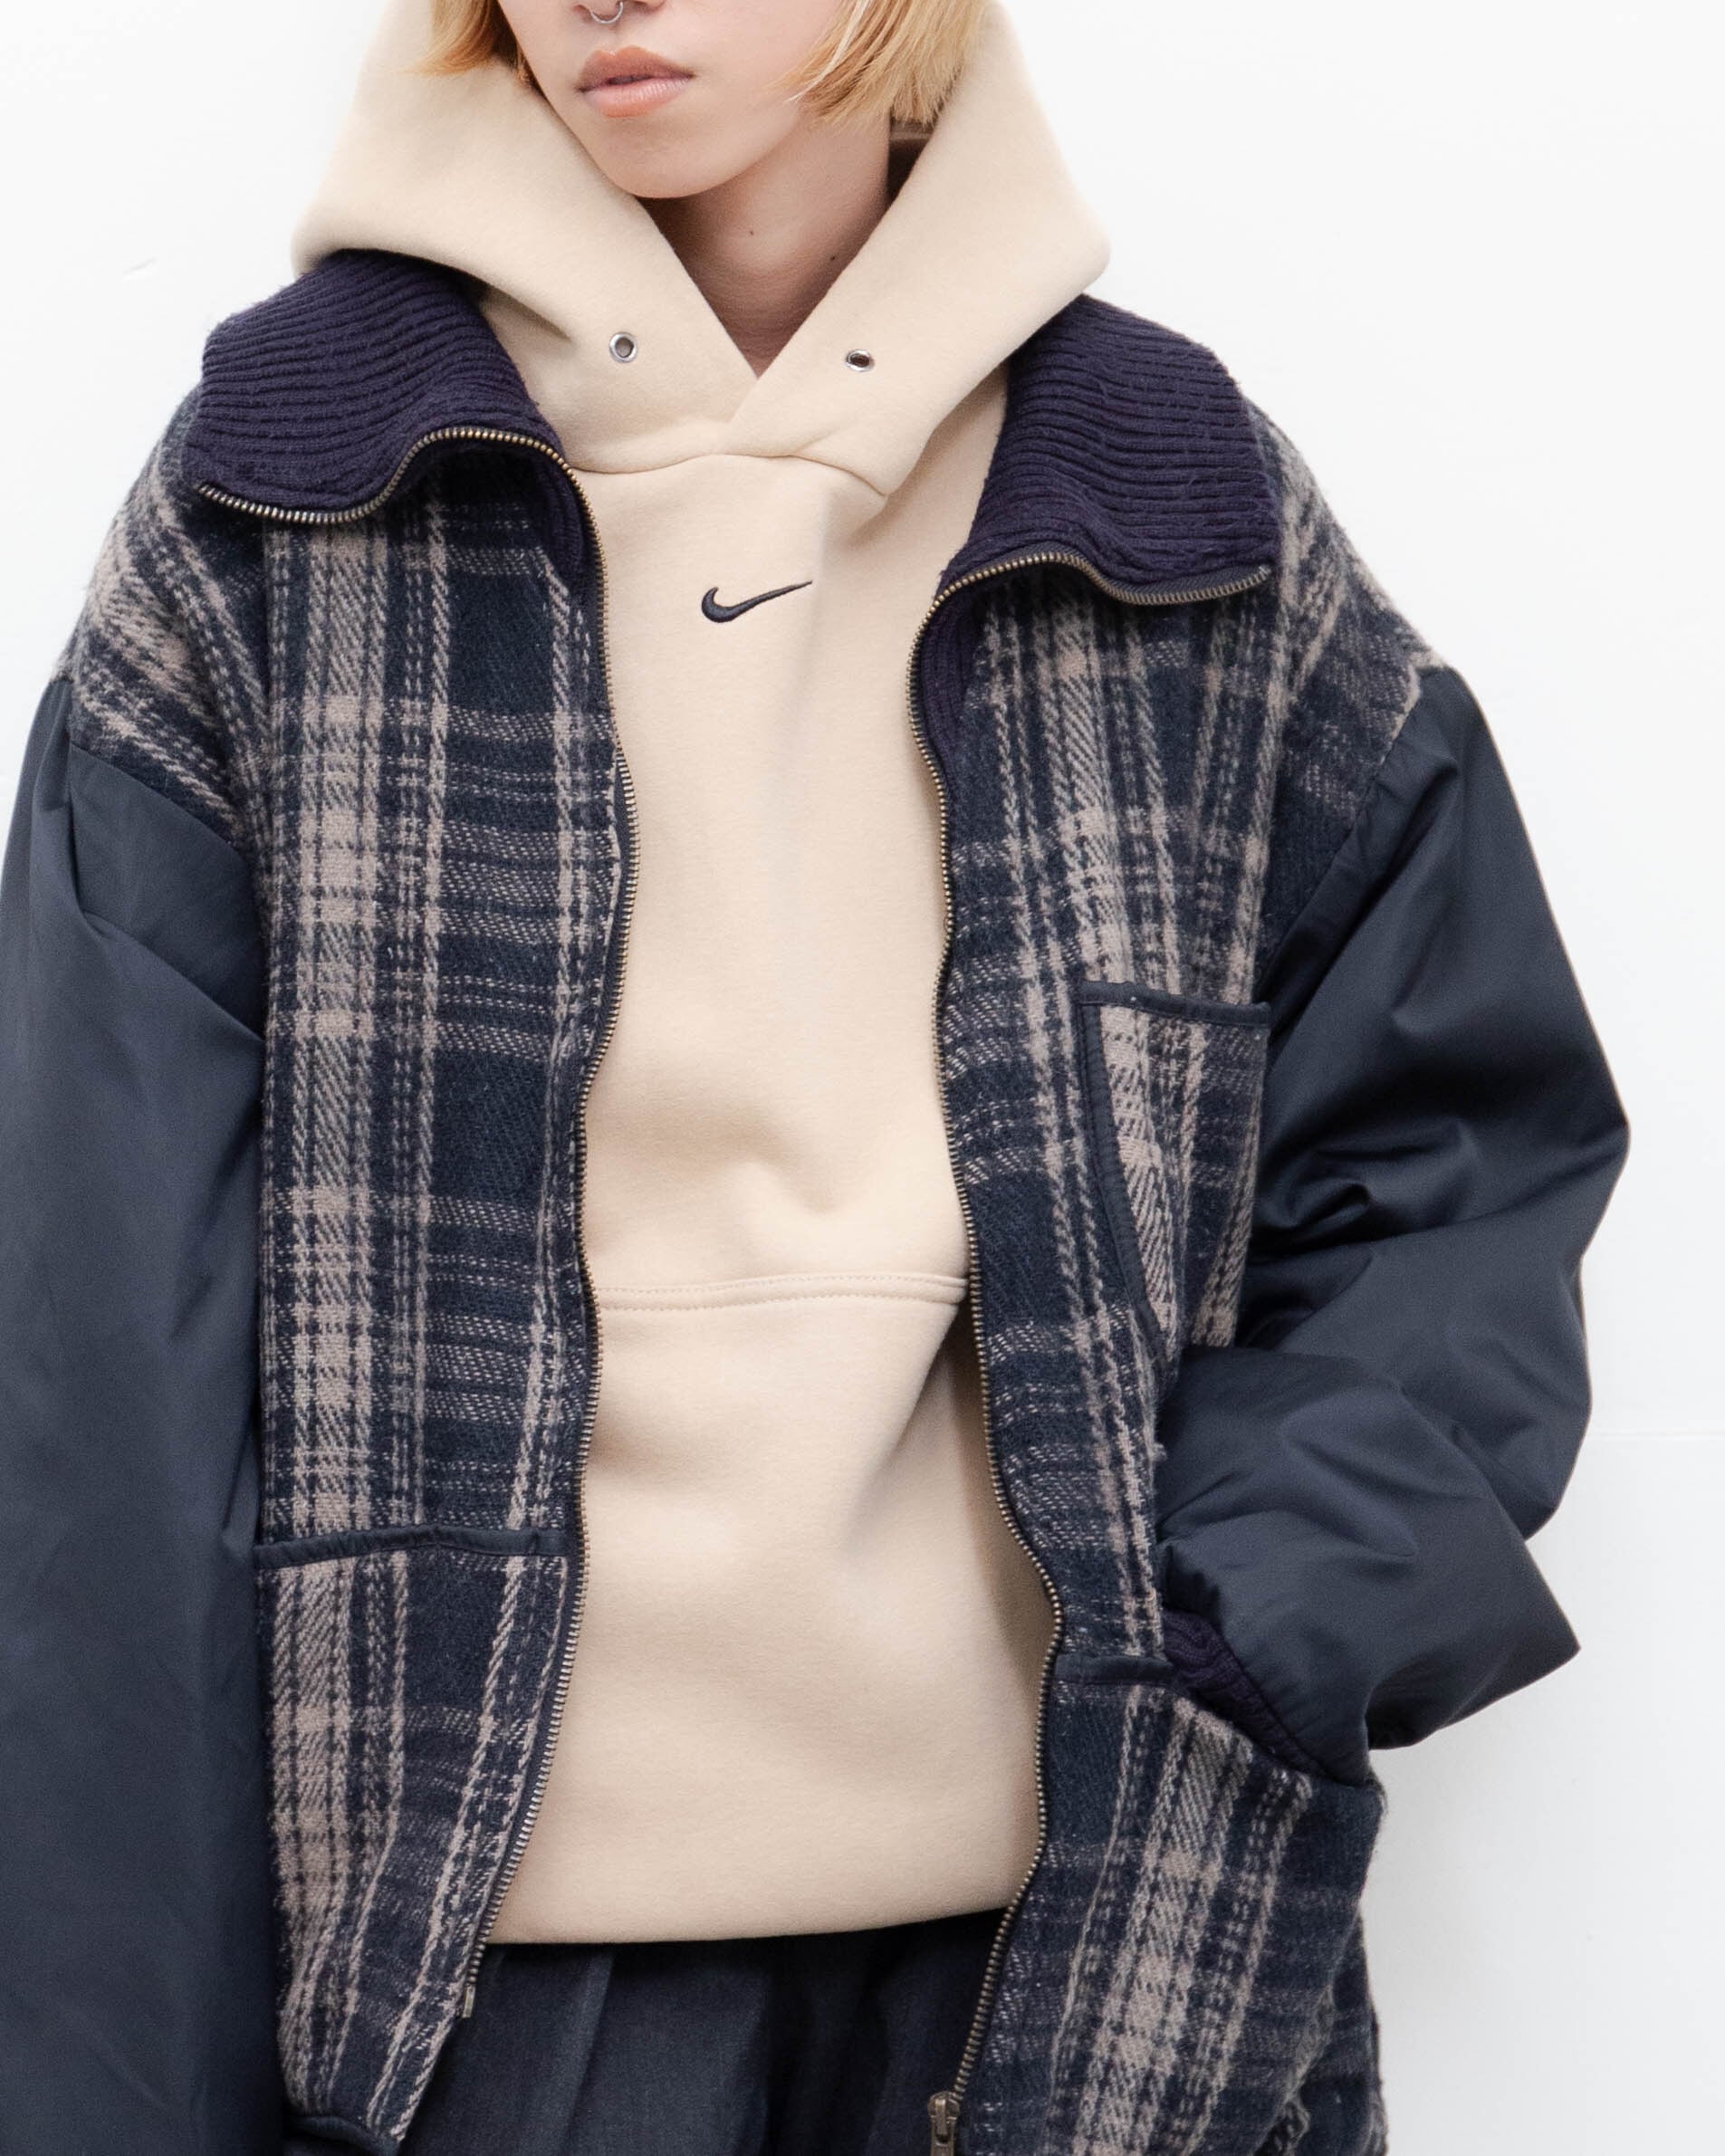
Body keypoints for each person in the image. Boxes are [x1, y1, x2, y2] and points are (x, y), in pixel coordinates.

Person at [0, 0, 1628, 2151]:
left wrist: (1258, 1632)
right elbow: (102, 1372)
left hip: (1085, 1970)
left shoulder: (1172, 499)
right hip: (462, 2013)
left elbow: (1447, 1163)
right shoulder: (289, 495)